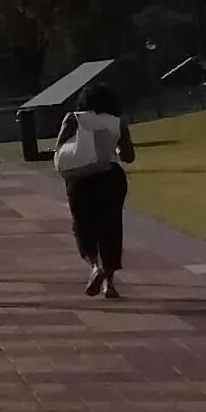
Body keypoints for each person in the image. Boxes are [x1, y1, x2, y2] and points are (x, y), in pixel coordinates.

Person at [53, 82, 138, 299]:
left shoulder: (73, 118)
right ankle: (109, 283)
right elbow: (129, 156)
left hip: (81, 178)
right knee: (111, 226)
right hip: (111, 177)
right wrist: (112, 146)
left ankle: (94, 266)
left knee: (83, 225)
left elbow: (60, 148)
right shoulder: (118, 122)